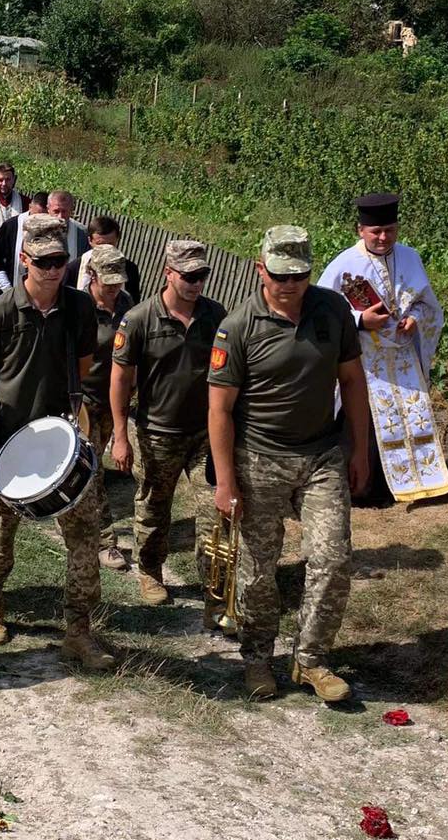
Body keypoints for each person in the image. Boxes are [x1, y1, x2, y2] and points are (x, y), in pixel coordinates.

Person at [208, 226, 370, 702]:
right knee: (259, 567)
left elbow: (353, 383)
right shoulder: (238, 327)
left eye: (298, 275)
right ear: (261, 269)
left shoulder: (333, 310)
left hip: (321, 456)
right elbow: (219, 409)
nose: (288, 284)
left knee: (332, 557)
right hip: (259, 459)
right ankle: (258, 658)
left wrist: (358, 449)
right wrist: (225, 479)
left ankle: (311, 660)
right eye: (279, 275)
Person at [0, 214, 113, 671]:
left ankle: (78, 629)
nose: (53, 270)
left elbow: (86, 363)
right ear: (25, 261)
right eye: (44, 262)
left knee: (85, 535)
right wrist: (1, 411)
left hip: (65, 438)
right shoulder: (0, 312)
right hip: (11, 433)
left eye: (60, 262)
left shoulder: (78, 309)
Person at [110, 240, 227, 617]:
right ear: (168, 274)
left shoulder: (215, 316)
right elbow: (121, 378)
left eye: (201, 276)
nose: (196, 283)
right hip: (156, 433)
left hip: (205, 435)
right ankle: (150, 571)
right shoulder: (140, 319)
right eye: (188, 276)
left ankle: (214, 588)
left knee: (213, 511)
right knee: (153, 509)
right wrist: (120, 434)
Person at [318, 192, 448, 505]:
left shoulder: (410, 257)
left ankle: (413, 483)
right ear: (360, 230)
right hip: (364, 357)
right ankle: (363, 488)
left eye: (389, 230)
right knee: (362, 420)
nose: (382, 237)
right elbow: (323, 313)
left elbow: (426, 304)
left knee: (410, 416)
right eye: (375, 231)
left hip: (403, 357)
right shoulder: (343, 264)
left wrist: (415, 319)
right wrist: (360, 320)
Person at [78, 245, 134, 572]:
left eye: (118, 281)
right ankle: (106, 542)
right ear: (92, 276)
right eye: (107, 281)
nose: (114, 288)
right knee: (94, 470)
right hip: (84, 400)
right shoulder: (79, 307)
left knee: (90, 469)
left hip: (115, 399)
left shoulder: (127, 305)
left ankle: (77, 517)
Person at [69, 215, 141, 304]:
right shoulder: (74, 269)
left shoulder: (130, 269)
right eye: (100, 244)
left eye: (110, 244)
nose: (105, 249)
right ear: (90, 241)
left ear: (117, 240)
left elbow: (134, 306)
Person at [0, 192, 49, 294]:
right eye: (35, 216)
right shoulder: (11, 226)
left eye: (43, 217)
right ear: (30, 207)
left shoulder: (55, 230)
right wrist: (7, 288)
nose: (38, 221)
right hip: (13, 287)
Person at [46, 191, 89, 262]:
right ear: (48, 209)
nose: (60, 216)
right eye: (56, 211)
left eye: (64, 211)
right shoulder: (36, 231)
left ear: (71, 210)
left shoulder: (82, 234)